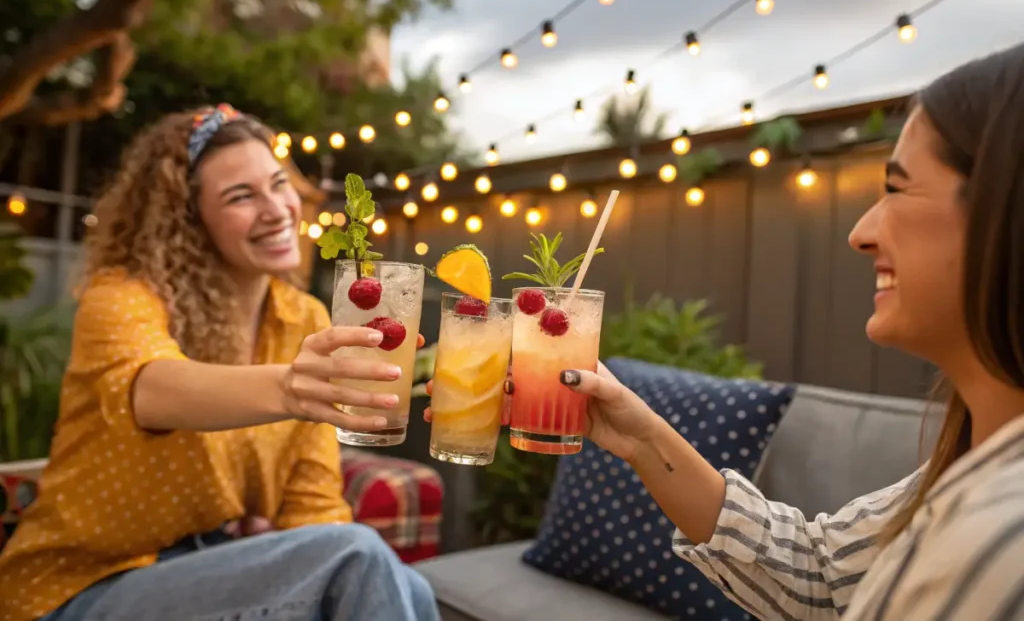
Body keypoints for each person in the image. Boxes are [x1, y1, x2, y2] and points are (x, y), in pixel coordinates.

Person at [428, 43, 1024, 619]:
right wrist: (640, 439)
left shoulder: (1003, 544)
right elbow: (816, 580)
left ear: (1006, 212)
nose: (861, 232)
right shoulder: (968, 467)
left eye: (896, 189)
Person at [0, 104, 439, 621]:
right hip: (80, 586)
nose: (277, 209)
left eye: (278, 184)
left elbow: (312, 505)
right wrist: (288, 389)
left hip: (215, 568)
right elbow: (149, 389)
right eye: (240, 196)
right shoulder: (122, 295)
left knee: (407, 585)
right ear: (188, 218)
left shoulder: (305, 318)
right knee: (358, 557)